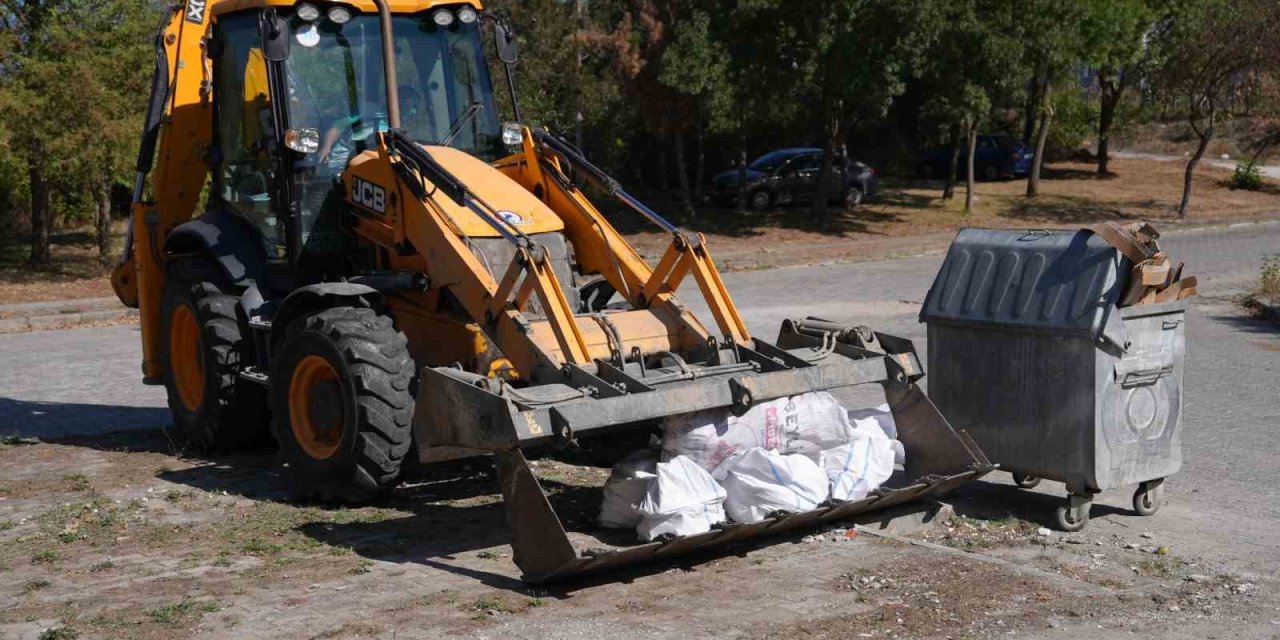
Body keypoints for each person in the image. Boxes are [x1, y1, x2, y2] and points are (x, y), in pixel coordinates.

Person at [317, 85, 423, 170]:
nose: (411, 110)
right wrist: (327, 146)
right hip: (344, 159)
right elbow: (339, 125)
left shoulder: (403, 129)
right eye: (406, 101)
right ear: (395, 99)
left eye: (414, 106)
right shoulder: (367, 110)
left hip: (375, 165)